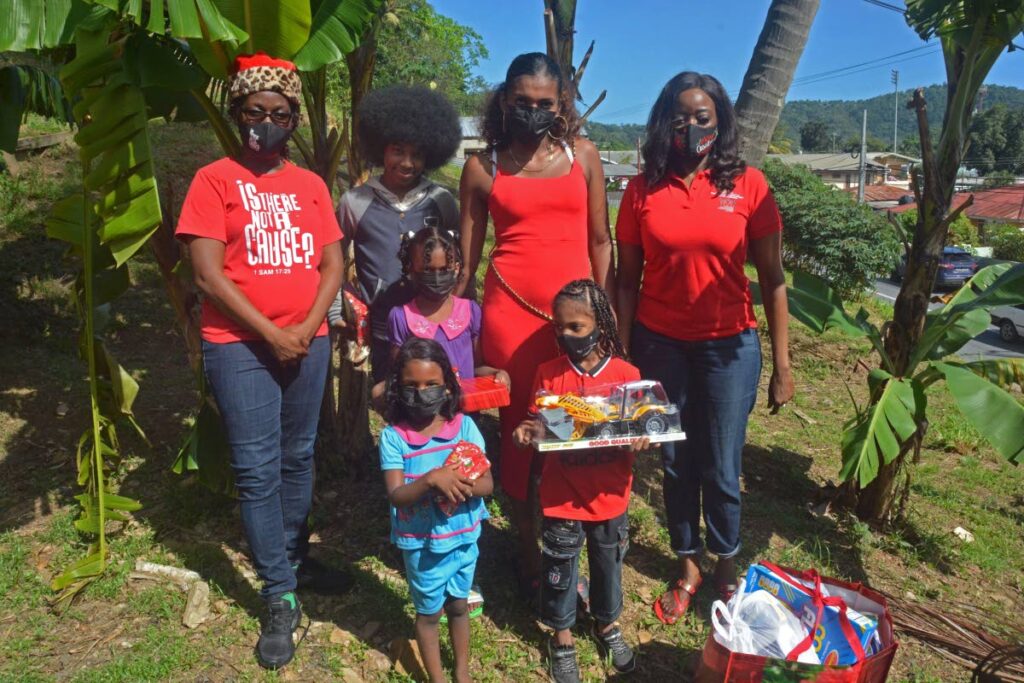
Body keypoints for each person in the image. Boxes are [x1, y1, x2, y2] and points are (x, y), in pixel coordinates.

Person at [175, 52, 347, 669]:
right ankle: (279, 595)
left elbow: (332, 263)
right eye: (255, 113)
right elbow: (207, 274)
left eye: (278, 114)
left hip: (307, 340)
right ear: (238, 113)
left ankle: (294, 560)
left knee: (299, 454)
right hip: (239, 346)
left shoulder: (310, 185)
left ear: (293, 118)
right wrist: (271, 334)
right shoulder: (214, 179)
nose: (266, 124)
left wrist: (305, 327)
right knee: (256, 467)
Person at [615, 72, 795, 625]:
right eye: (679, 117)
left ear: (720, 122)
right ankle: (688, 563)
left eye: (702, 117)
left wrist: (783, 364)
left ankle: (726, 563)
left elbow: (772, 279)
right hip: (660, 344)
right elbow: (625, 281)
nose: (690, 127)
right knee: (675, 463)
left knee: (720, 463)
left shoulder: (750, 186)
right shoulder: (642, 190)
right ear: (663, 123)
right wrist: (622, 361)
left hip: (729, 349)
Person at [458, 52, 614, 597]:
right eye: (522, 103)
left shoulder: (585, 157)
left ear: (560, 105)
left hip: (578, 321)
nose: (532, 111)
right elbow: (466, 260)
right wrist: (450, 328)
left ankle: (578, 545)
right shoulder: (483, 167)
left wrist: (606, 313)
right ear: (505, 101)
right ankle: (530, 558)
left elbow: (600, 241)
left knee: (577, 426)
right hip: (510, 316)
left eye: (544, 104)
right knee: (523, 436)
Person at [513, 280, 647, 683]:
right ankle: (562, 638)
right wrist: (525, 433)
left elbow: (643, 427)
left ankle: (606, 624)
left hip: (610, 497)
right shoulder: (549, 376)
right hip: (562, 499)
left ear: (601, 325)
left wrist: (643, 438)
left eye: (576, 326)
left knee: (609, 565)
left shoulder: (628, 376)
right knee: (560, 567)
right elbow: (534, 423)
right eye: (560, 327)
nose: (566, 335)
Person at [328, 85, 463, 383]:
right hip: (382, 324)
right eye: (397, 151)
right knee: (389, 395)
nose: (406, 163)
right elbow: (332, 259)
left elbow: (460, 257)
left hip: (435, 322)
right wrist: (338, 306)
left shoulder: (440, 201)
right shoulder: (356, 202)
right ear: (381, 149)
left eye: (416, 154)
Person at [379, 338, 494, 683]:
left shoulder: (466, 428)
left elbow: (487, 484)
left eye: (431, 384)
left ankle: (462, 672)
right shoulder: (394, 438)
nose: (422, 392)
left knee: (460, 606)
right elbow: (397, 495)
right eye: (411, 385)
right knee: (429, 615)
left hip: (463, 540)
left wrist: (458, 482)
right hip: (422, 546)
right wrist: (431, 480)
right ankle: (438, 679)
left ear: (448, 387)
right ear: (398, 388)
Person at [387, 226, 510, 386]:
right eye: (428, 270)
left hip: (466, 409)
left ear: (456, 267)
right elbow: (400, 376)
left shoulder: (469, 311)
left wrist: (497, 373)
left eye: (444, 269)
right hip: (424, 409)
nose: (437, 277)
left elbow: (476, 367)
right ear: (411, 268)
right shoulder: (401, 318)